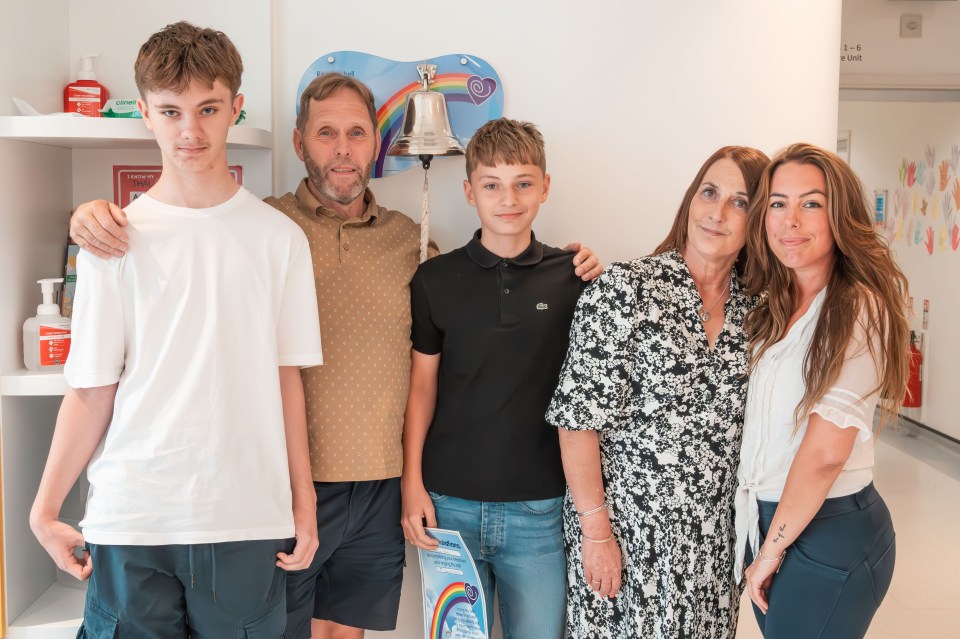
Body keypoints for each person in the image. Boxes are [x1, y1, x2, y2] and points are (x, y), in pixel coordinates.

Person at [68, 73, 602, 638]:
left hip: (380, 485)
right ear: (300, 143)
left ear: (377, 143)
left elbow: (479, 308)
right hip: (282, 486)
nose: (343, 149)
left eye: (356, 133)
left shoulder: (414, 243)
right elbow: (188, 222)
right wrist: (89, 217)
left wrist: (573, 264)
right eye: (326, 133)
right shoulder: (261, 227)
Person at [29, 22, 323, 637]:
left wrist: (303, 502)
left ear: (235, 109)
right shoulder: (111, 240)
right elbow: (91, 389)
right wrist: (45, 508)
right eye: (171, 111)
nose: (190, 131)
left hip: (246, 517)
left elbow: (287, 380)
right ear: (145, 114)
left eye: (208, 109)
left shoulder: (280, 240)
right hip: (133, 517)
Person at [546, 146, 770, 638]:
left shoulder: (760, 313)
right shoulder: (626, 290)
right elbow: (576, 422)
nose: (716, 212)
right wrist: (596, 533)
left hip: (713, 544)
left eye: (740, 201)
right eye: (709, 192)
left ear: (757, 221)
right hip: (625, 537)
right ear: (690, 200)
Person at [401, 117, 587, 638]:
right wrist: (411, 484)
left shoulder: (575, 277)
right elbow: (422, 388)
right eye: (491, 185)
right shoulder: (434, 280)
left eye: (523, 183)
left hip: (540, 506)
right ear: (469, 192)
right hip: (448, 505)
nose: (508, 199)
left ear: (544, 187)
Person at [736, 143, 909, 638]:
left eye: (811, 203)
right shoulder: (775, 304)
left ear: (841, 216)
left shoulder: (858, 308)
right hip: (773, 522)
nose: (791, 220)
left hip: (827, 530)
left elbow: (825, 455)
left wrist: (772, 550)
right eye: (777, 203)